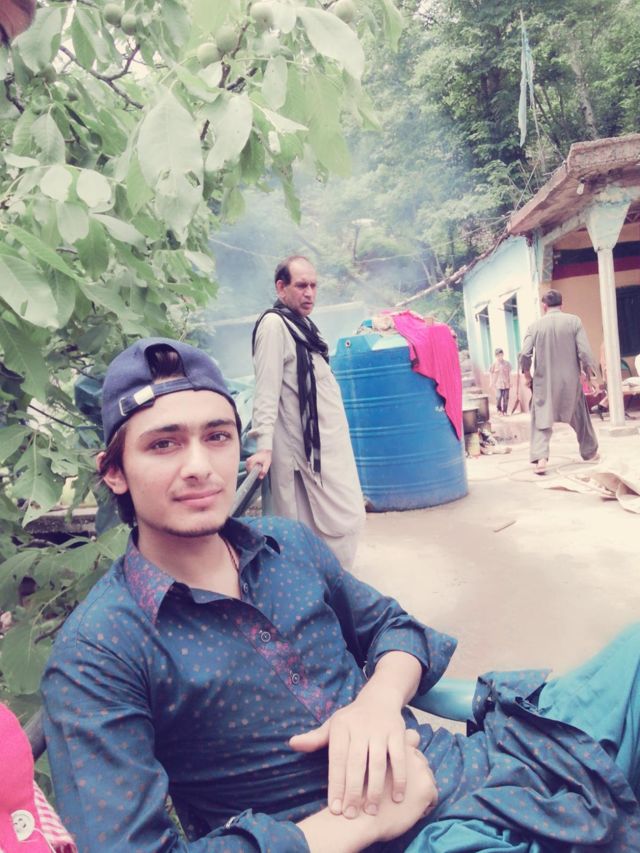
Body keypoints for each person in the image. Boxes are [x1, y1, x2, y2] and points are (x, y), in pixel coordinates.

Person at [41, 337, 640, 853]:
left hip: (493, 763)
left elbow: (396, 629)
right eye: (163, 444)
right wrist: (350, 826)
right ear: (114, 471)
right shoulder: (101, 651)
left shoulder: (286, 545)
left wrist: (378, 700)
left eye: (217, 436)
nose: (200, 465)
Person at [246, 256, 364, 569]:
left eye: (313, 285)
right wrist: (263, 447)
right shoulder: (274, 325)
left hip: (327, 448)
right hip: (302, 454)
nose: (309, 293)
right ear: (281, 287)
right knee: (315, 527)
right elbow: (266, 390)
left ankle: (334, 580)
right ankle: (321, 584)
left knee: (346, 516)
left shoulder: (304, 326)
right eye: (301, 285)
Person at [520, 289, 599, 475]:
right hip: (570, 381)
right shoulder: (574, 321)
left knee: (541, 418)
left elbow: (524, 353)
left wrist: (527, 375)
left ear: (544, 306)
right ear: (562, 304)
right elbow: (585, 352)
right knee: (580, 415)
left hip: (544, 383)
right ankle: (590, 453)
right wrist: (591, 376)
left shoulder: (534, 327)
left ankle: (541, 459)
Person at [488, 348, 511, 416]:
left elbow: (510, 373)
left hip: (506, 383)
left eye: (501, 355)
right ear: (496, 356)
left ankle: (505, 411)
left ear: (503, 354)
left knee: (506, 398)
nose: (500, 357)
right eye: (498, 356)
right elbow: (491, 373)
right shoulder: (494, 364)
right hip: (498, 384)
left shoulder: (507, 363)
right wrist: (491, 382)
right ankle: (499, 410)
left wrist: (511, 381)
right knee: (499, 397)